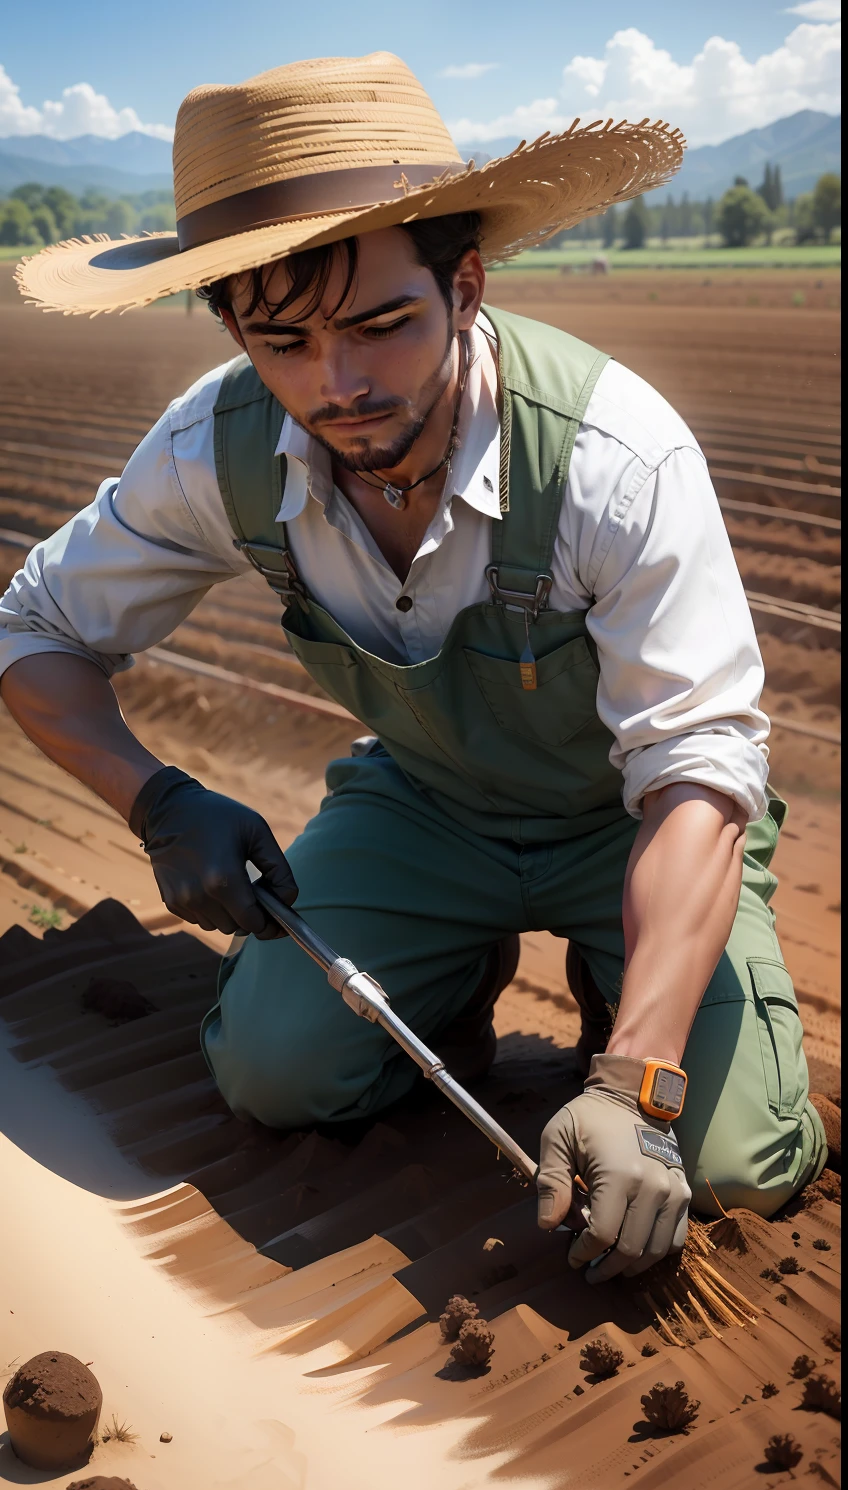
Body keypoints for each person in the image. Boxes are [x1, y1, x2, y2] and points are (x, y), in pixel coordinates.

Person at [1, 54, 826, 1284]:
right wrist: (157, 800)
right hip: (430, 806)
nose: (335, 384)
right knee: (274, 1075)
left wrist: (636, 1081)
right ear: (231, 326)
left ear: (465, 282)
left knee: (721, 1164)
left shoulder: (611, 457)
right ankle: (451, 977)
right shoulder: (213, 451)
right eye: (279, 339)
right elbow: (32, 633)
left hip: (636, 820)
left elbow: (699, 775)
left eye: (381, 324)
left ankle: (635, 990)